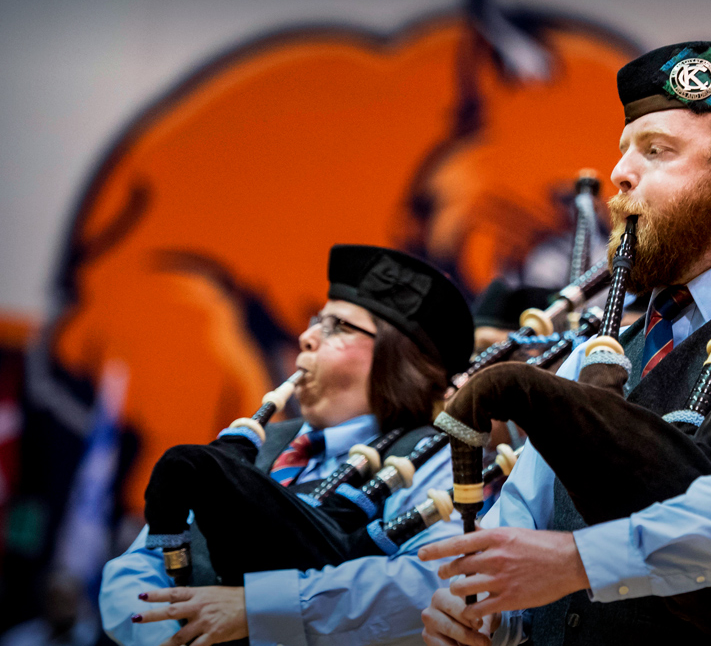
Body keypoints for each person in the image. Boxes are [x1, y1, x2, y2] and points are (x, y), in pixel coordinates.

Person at [418, 41, 711, 646]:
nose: (621, 173)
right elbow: (530, 514)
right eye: (625, 151)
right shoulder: (602, 346)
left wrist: (580, 562)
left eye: (657, 151)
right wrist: (489, 616)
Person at [99, 244, 475, 646]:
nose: (307, 336)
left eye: (338, 326)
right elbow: (138, 566)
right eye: (317, 320)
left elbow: (431, 577)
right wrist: (172, 635)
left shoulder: (429, 454)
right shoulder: (255, 443)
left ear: (397, 356)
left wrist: (255, 609)